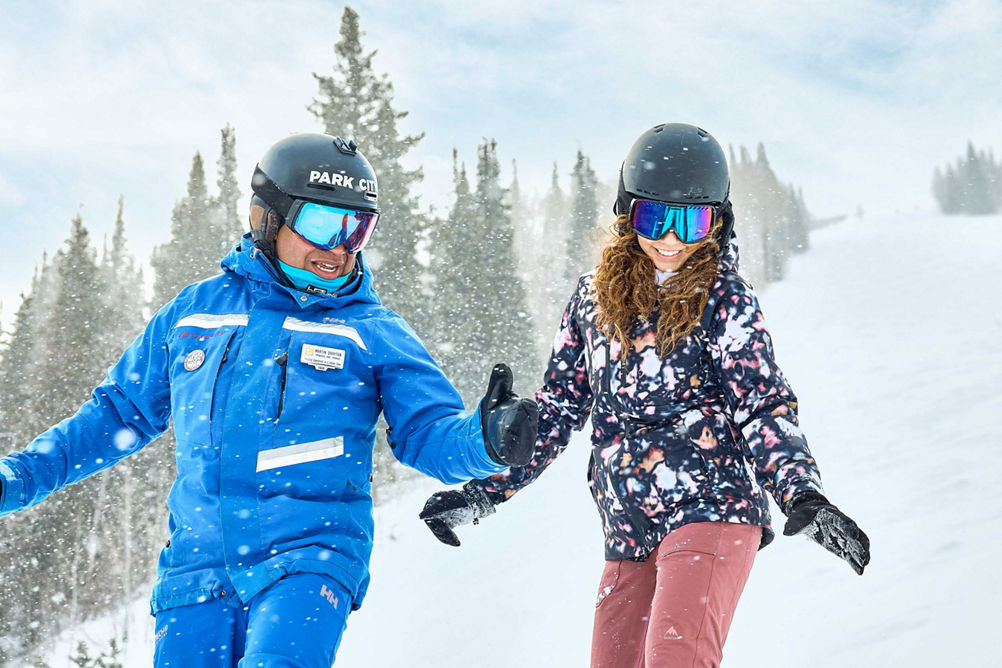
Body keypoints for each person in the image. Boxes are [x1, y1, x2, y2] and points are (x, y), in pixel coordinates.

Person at [0, 132, 538, 667]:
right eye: (323, 223)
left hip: (309, 558)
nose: (339, 248)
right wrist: (17, 480)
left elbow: (428, 434)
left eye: (358, 229)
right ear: (267, 218)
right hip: (196, 571)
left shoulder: (372, 332)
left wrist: (484, 438)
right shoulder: (194, 315)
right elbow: (116, 416)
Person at [419, 123, 870, 667]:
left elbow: (762, 403)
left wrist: (801, 492)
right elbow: (560, 408)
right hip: (628, 526)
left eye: (693, 220)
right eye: (655, 217)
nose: (672, 239)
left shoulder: (723, 296)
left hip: (713, 508)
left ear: (717, 223)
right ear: (627, 212)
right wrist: (485, 491)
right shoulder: (591, 298)